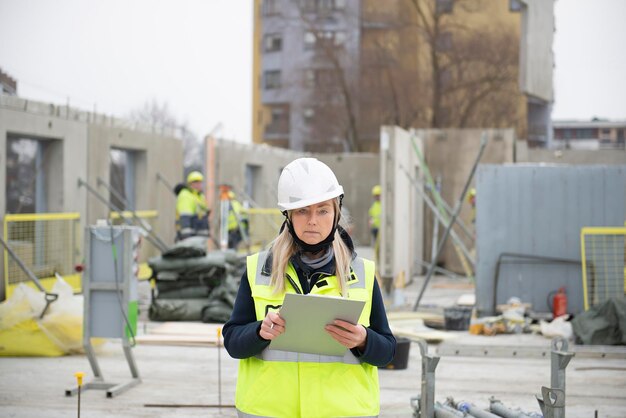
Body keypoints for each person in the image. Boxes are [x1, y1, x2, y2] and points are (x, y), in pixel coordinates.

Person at [223, 157, 395, 418]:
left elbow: (387, 352)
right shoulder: (259, 270)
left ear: (336, 212)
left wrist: (363, 339)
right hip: (269, 412)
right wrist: (260, 331)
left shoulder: (362, 274)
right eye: (303, 210)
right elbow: (233, 343)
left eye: (322, 210)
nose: (312, 220)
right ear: (288, 216)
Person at [174, 171, 210, 241]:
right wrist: (186, 235)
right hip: (190, 235)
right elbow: (185, 216)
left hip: (199, 234)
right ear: (190, 184)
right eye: (196, 183)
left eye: (200, 182)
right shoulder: (185, 195)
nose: (199, 185)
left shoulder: (200, 196)